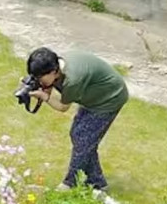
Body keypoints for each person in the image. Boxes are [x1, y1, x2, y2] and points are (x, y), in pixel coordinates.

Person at [26, 47, 129, 193]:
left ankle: (70, 182)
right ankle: (97, 183)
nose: (37, 80)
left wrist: (44, 97)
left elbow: (62, 107)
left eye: (40, 77)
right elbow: (53, 85)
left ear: (54, 71)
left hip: (109, 98)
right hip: (93, 95)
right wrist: (43, 86)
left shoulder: (72, 81)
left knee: (83, 138)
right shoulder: (59, 67)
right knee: (80, 136)